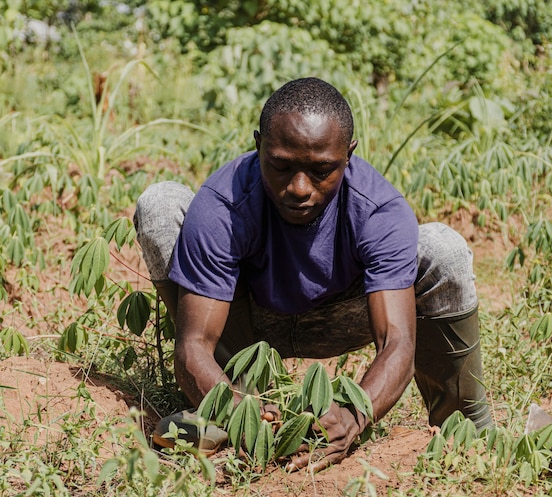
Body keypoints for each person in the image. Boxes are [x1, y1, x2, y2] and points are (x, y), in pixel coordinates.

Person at [134, 77, 492, 472]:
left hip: (343, 316)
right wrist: (242, 413)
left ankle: (465, 430)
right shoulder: (223, 205)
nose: (299, 188)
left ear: (349, 154)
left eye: (322, 170)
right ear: (259, 145)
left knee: (444, 248)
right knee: (160, 205)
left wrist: (352, 419)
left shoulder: (379, 210)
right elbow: (194, 344)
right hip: (247, 323)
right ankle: (230, 402)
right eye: (281, 166)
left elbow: (397, 343)